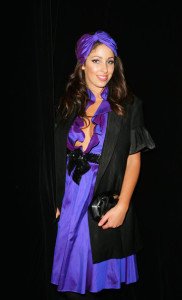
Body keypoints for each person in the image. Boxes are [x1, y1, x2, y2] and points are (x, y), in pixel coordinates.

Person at [51, 31, 155, 300]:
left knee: (94, 283)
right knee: (70, 283)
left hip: (102, 199)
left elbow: (134, 157)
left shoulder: (128, 105)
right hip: (71, 198)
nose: (104, 69)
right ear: (82, 63)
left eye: (110, 61)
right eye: (96, 60)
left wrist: (123, 206)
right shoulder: (67, 104)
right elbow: (53, 155)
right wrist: (54, 197)